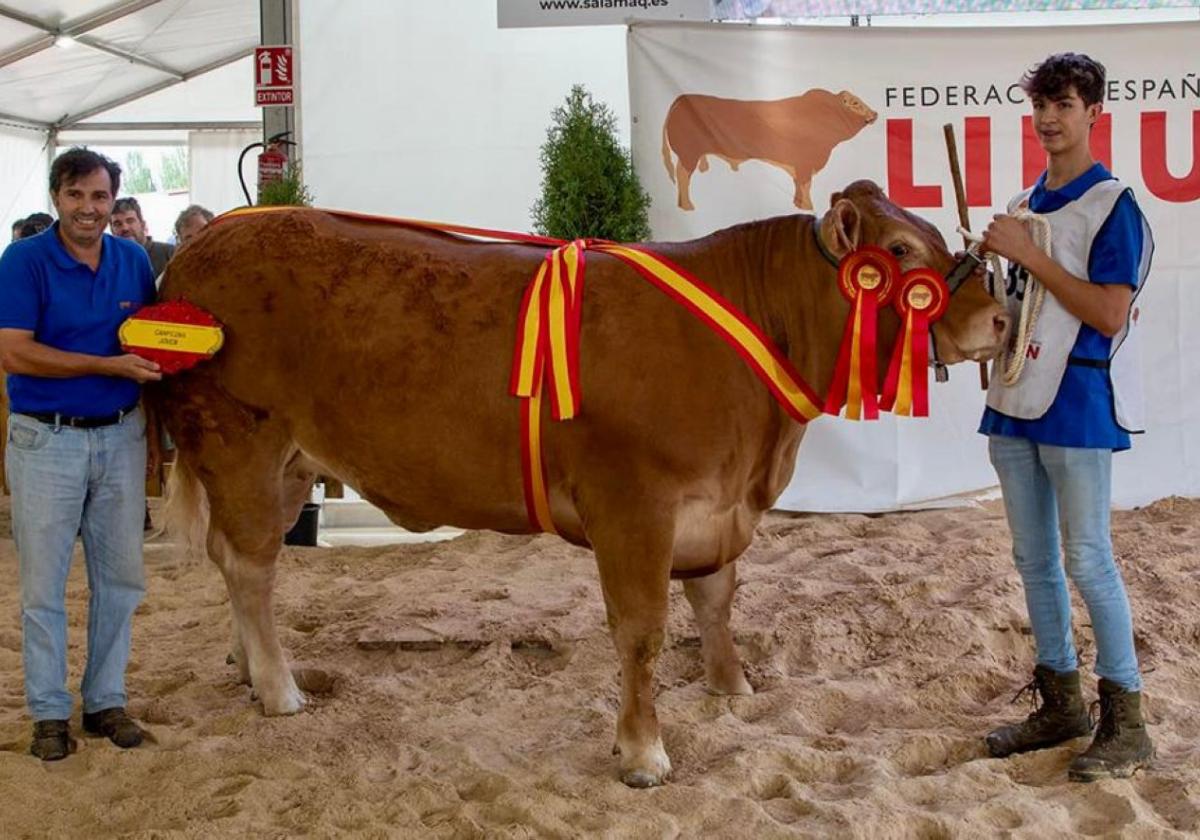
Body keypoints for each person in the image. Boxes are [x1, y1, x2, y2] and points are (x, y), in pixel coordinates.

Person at [979, 53, 1153, 782]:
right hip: (1014, 401)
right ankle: (1062, 702)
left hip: (1077, 404)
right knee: (1034, 562)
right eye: (1041, 105)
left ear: (1093, 113)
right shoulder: (1025, 203)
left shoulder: (1115, 204)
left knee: (1087, 559)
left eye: (1065, 104)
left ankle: (1129, 720)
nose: (1049, 118)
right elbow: (1020, 310)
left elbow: (1109, 314)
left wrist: (1028, 254)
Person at [0, 147, 162, 762]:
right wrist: (106, 365)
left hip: (121, 434)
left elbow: (152, 339)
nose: (88, 209)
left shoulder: (133, 260)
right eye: (75, 196)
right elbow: (14, 351)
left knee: (120, 580)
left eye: (99, 197)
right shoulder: (23, 260)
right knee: (43, 586)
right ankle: (47, 710)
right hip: (46, 439)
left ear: (113, 200)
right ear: (56, 198)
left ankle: (104, 700)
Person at [110, 196, 175, 276]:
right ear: (112, 231)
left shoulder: (170, 254)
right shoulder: (108, 264)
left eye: (130, 221)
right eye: (117, 224)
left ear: (142, 224)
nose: (125, 228)